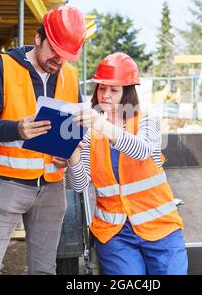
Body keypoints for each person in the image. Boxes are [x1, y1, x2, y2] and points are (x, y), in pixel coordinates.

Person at [0, 5, 86, 275]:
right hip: (6, 185)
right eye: (54, 50)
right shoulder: (4, 66)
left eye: (65, 56)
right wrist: (15, 129)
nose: (59, 60)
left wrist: (69, 150)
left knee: (44, 271)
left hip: (53, 189)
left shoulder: (69, 75)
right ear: (38, 38)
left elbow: (77, 124)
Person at [67, 52, 188, 275]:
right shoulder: (89, 133)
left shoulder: (147, 121)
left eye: (114, 90)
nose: (105, 95)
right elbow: (80, 185)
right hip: (115, 234)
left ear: (127, 93)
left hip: (160, 228)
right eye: (102, 88)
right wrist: (72, 156)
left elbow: (141, 151)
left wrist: (100, 125)